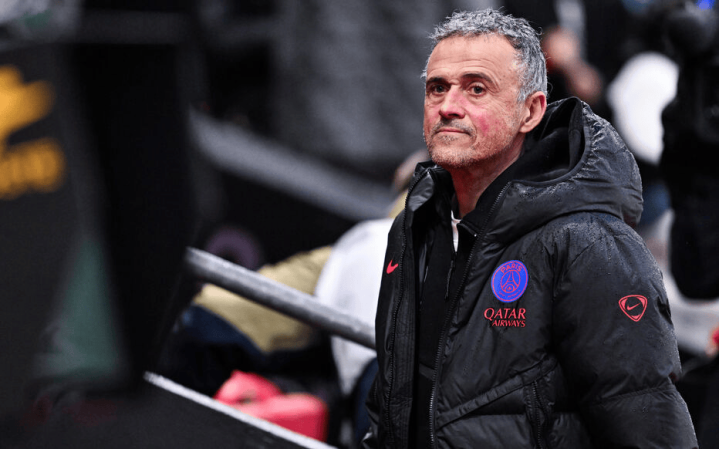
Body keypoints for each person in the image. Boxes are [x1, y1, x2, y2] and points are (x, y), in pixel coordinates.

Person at [362, 9, 698, 448]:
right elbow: (394, 403)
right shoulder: (414, 225)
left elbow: (651, 430)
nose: (448, 106)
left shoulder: (590, 246)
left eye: (476, 89)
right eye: (437, 88)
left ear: (531, 111)